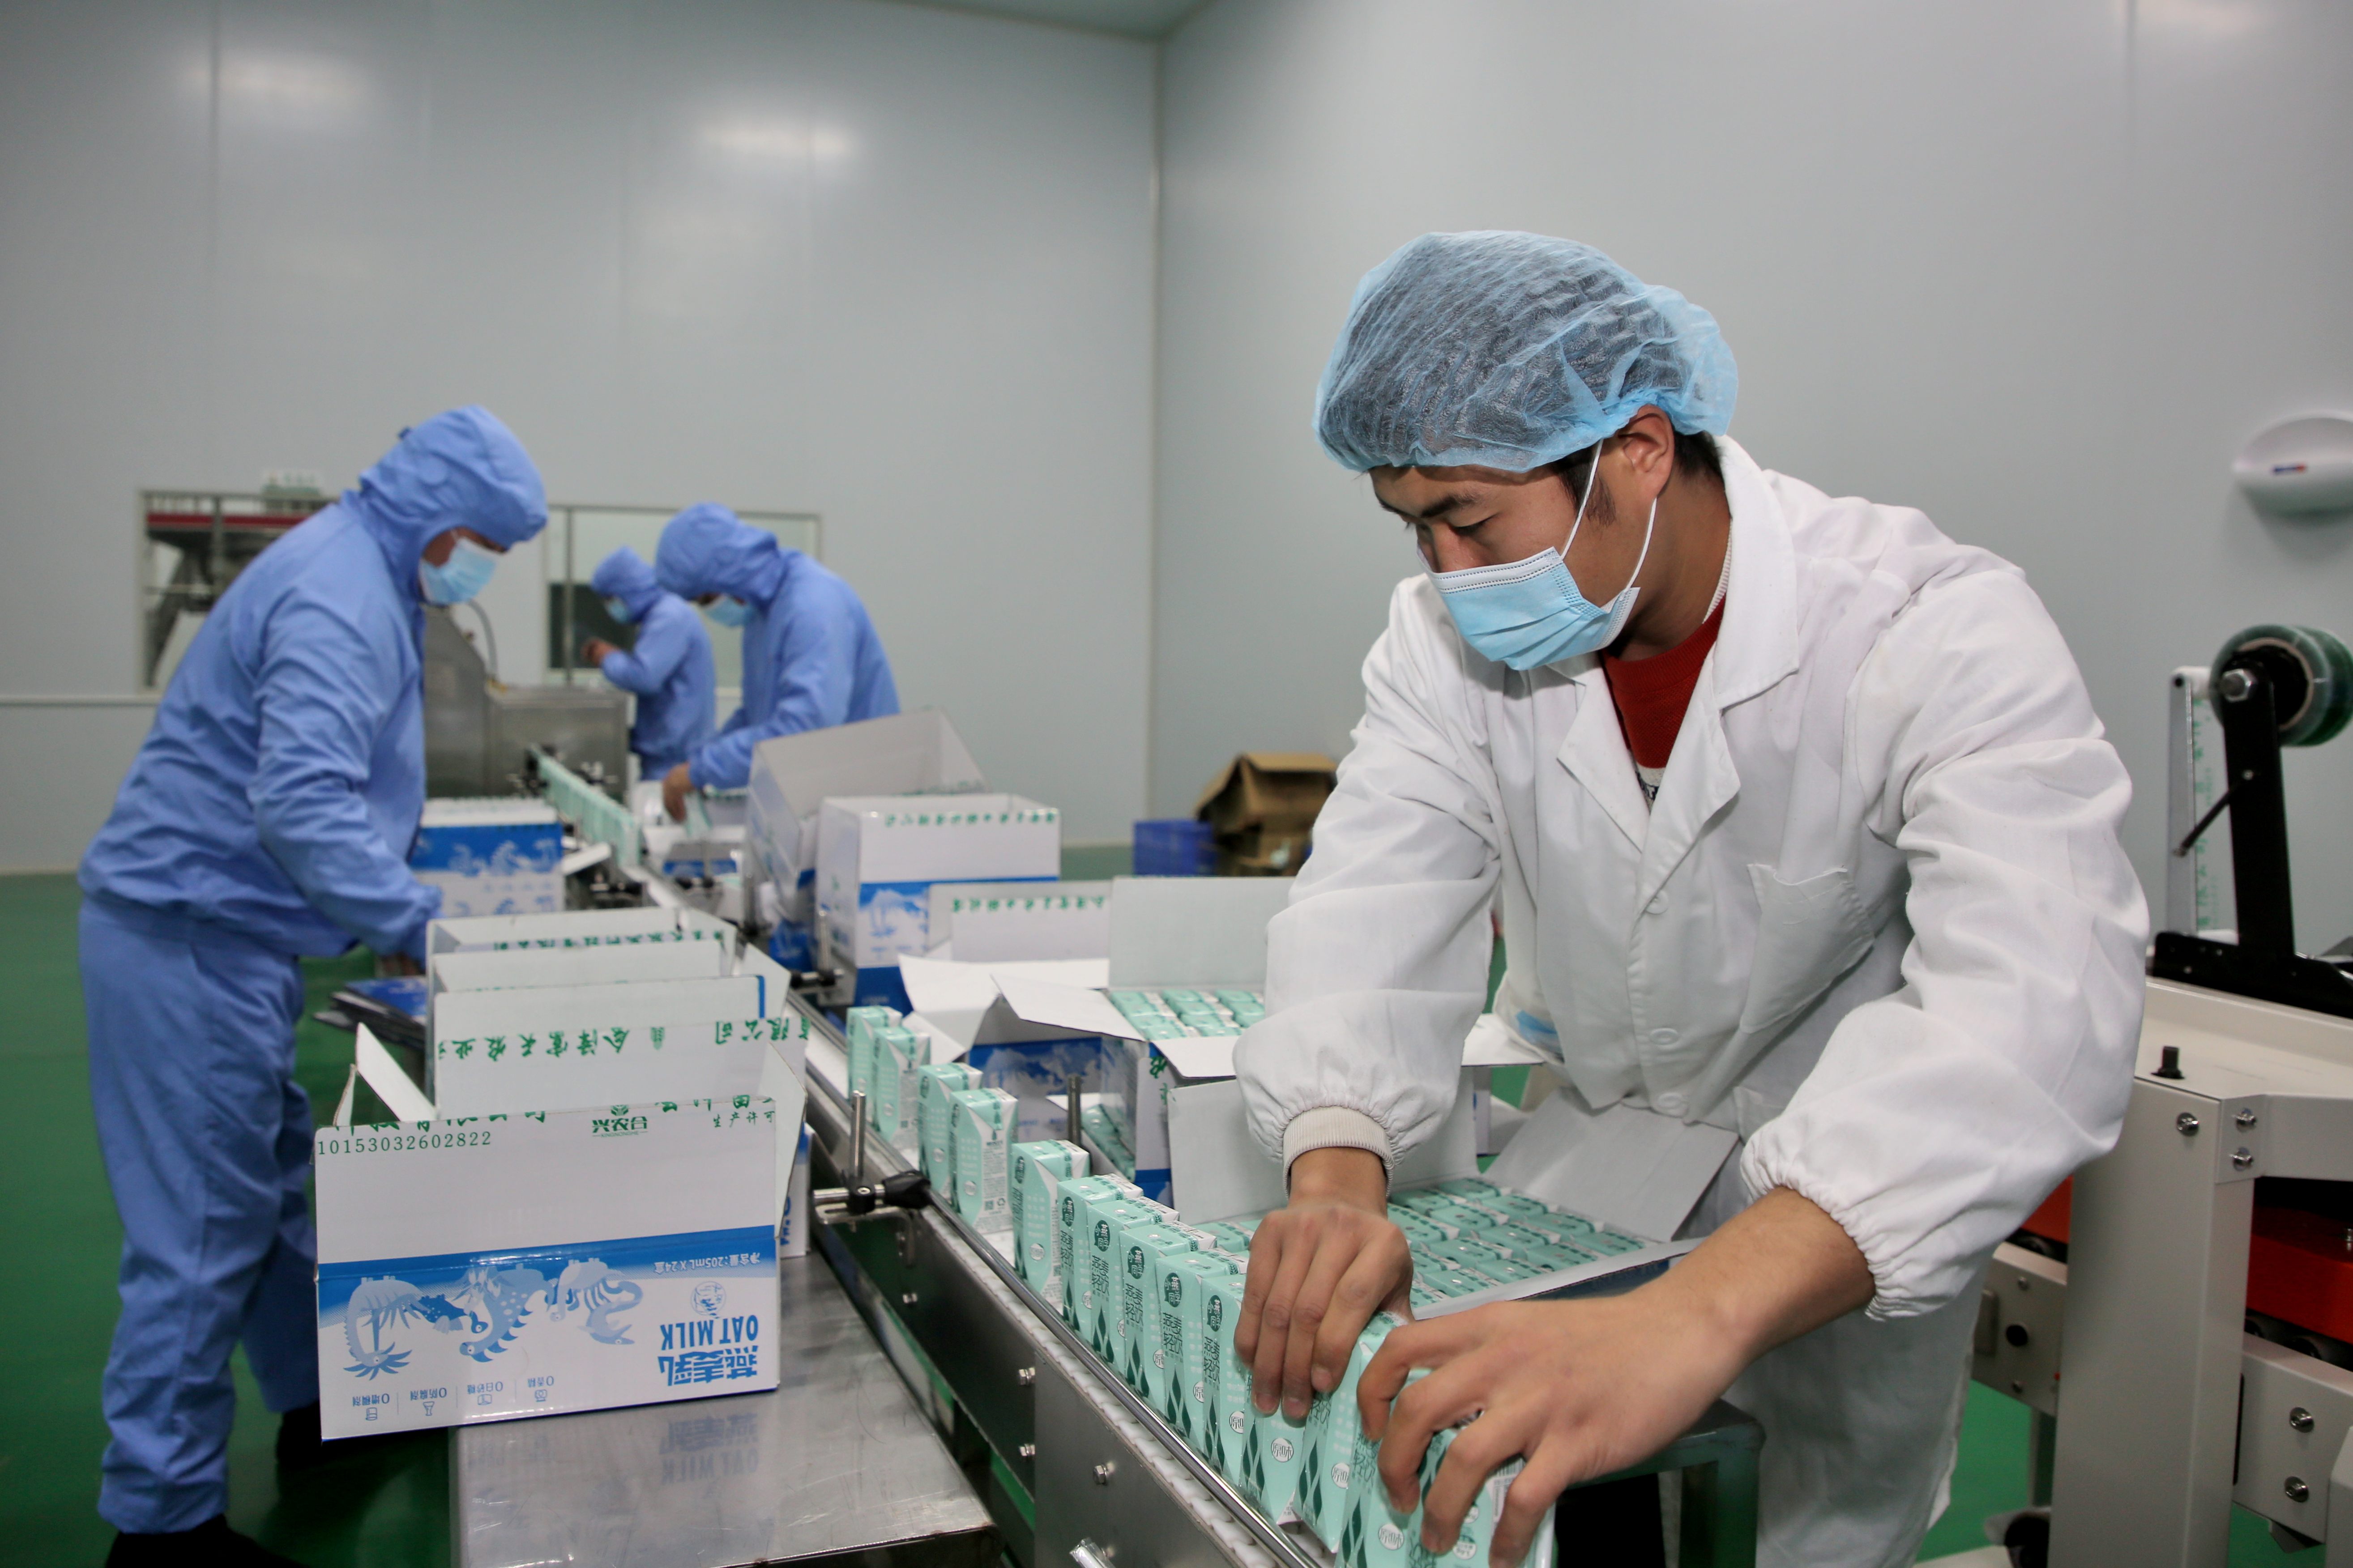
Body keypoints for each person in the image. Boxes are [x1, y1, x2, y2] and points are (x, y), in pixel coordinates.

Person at [1229, 233, 2146, 1568]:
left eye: (1472, 519)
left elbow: (2032, 1011)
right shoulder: (1442, 645)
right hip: (1580, 1198)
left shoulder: (1923, 628)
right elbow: (1375, 896)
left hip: (1830, 1232)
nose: (1446, 567)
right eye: (1413, 524)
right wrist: (1333, 1170)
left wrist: (1692, 1314)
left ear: (1639, 451)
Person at [78, 407, 547, 1566]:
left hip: (229, 937)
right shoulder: (339, 595)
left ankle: (317, 1403)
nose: (484, 568)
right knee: (200, 1233)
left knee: (267, 1182)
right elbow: (300, 801)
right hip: (189, 938)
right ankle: (161, 1526)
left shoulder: (360, 570)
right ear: (443, 526)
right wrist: (412, 924)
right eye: (486, 546)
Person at [651, 502, 898, 820]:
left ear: (732, 575)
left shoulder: (812, 605)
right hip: (818, 799)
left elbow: (807, 729)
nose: (709, 610)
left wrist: (703, 769)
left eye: (707, 599)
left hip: (862, 804)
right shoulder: (762, 612)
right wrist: (698, 762)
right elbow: (755, 714)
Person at [580, 545, 717, 779]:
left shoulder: (669, 617)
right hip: (670, 756)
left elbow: (644, 677)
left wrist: (607, 657)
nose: (611, 608)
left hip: (676, 761)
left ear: (626, 591)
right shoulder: (661, 615)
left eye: (611, 600)